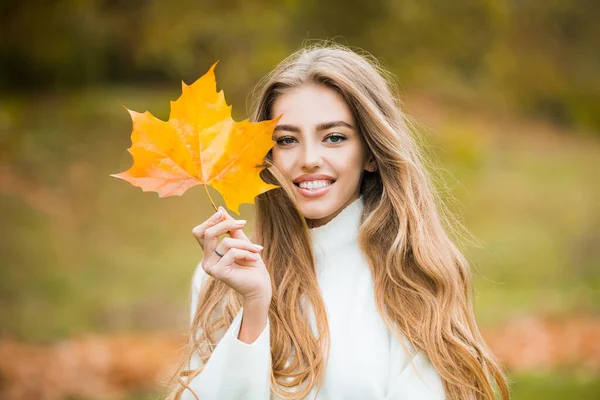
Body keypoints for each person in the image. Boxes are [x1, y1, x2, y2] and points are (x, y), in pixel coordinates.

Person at [166, 42, 510, 400]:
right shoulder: (224, 276)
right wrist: (253, 309)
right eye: (286, 140)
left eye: (334, 137)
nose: (309, 159)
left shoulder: (413, 275)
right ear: (265, 155)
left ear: (371, 154)